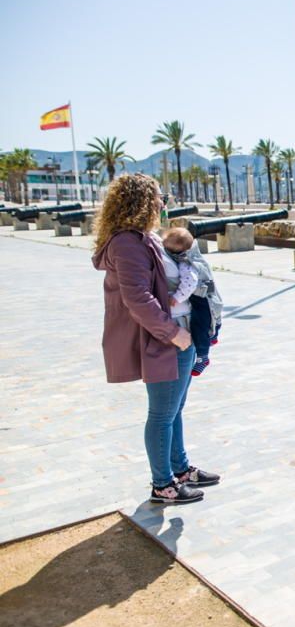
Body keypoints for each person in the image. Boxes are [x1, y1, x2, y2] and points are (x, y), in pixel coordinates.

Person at [92, 174, 220, 504]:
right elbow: (137, 298)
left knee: (174, 410)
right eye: (159, 197)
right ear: (143, 202)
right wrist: (174, 334)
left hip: (179, 337)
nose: (163, 203)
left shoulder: (142, 238)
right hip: (163, 340)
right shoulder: (127, 243)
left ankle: (179, 469)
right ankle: (163, 484)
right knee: (162, 414)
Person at [160, 228, 223, 376]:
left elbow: (190, 284)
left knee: (199, 327)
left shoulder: (186, 263)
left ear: (177, 252)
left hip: (200, 300)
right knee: (213, 318)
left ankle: (203, 357)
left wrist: (177, 297)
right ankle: (213, 336)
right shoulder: (194, 255)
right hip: (210, 297)